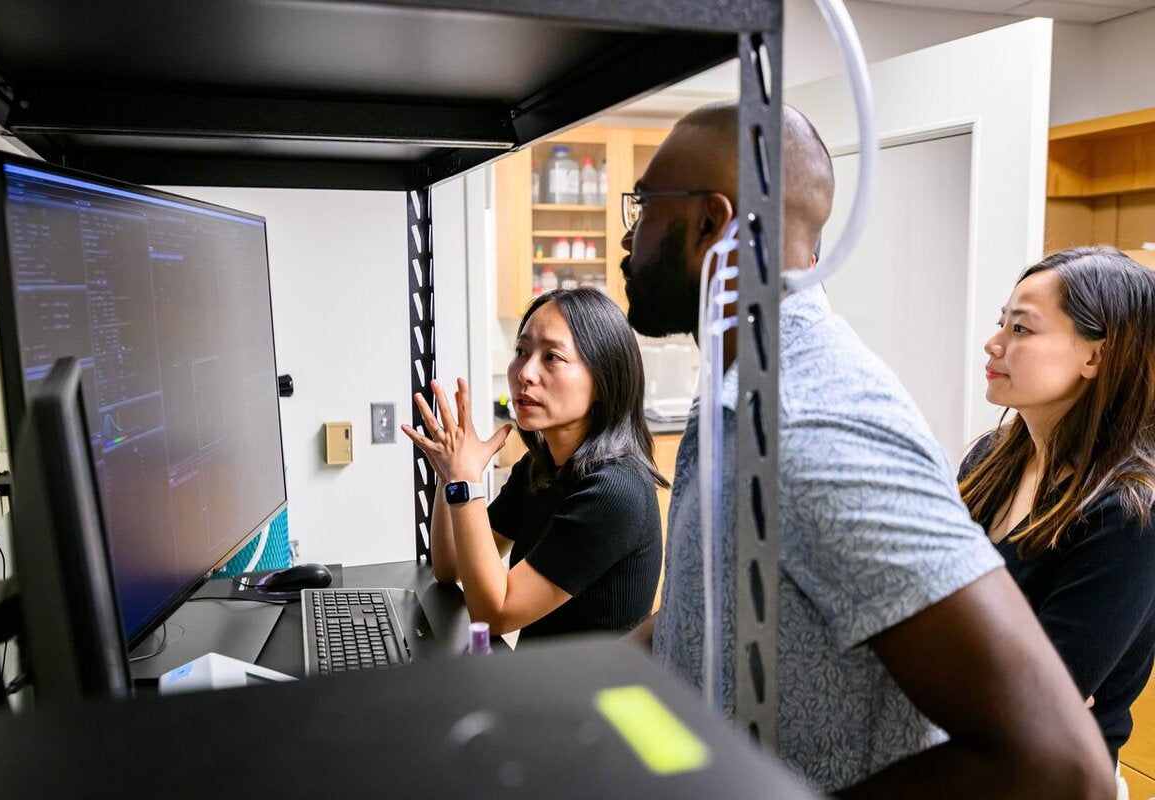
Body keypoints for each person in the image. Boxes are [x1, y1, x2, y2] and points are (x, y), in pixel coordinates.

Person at [622, 101, 1114, 798]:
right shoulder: (737, 394)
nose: (631, 236)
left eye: (643, 208)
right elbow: (707, 622)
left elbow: (1060, 764)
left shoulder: (811, 427)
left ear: (712, 223)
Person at [959, 246, 1155, 772]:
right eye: (1002, 323)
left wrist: (1027, 692)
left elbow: (1034, 702)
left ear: (1096, 356)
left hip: (1052, 777)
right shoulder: (987, 461)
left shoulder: (1130, 512)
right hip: (961, 756)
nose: (993, 342)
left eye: (1021, 330)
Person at [401, 288, 666, 642]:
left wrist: (466, 480)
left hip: (580, 694)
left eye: (552, 357)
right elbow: (449, 566)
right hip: (535, 678)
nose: (525, 373)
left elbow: (495, 615)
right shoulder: (539, 467)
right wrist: (450, 474)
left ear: (603, 380)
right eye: (521, 351)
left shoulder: (614, 490)